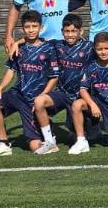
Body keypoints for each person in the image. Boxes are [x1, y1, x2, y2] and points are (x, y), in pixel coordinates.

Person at [0, 10, 59, 156]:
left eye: (34, 26)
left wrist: (42, 96)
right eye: (27, 27)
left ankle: (47, 131)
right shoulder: (19, 48)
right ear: (22, 29)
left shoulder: (49, 48)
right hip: (18, 94)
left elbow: (54, 77)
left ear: (41, 27)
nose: (31, 30)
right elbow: (11, 71)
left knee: (34, 146)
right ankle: (3, 143)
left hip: (33, 99)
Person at [34, 14, 94, 153]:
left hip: (81, 95)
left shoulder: (89, 46)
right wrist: (17, 43)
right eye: (67, 31)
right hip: (62, 93)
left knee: (80, 135)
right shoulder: (57, 44)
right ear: (62, 32)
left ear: (81, 31)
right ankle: (49, 142)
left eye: (73, 31)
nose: (70, 34)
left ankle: (87, 134)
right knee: (39, 102)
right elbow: (36, 40)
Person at [70, 32, 108, 153]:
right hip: (96, 102)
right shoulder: (91, 66)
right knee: (77, 104)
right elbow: (83, 89)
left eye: (107, 48)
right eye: (99, 49)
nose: (103, 52)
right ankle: (81, 140)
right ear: (94, 49)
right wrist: (92, 105)